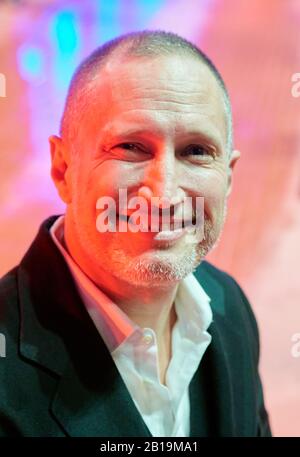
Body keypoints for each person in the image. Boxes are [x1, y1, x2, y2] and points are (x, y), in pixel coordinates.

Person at [0, 30, 272, 437]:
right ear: (63, 169)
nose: (163, 194)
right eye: (130, 147)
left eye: (196, 151)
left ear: (228, 177)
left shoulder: (229, 307)